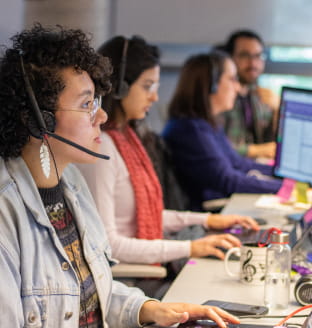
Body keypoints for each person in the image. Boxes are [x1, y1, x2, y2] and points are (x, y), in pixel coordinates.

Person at [0, 24, 241, 328]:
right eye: (87, 104)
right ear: (39, 120)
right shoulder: (5, 215)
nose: (101, 116)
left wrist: (149, 309)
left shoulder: (71, 184)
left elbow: (93, 291)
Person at [77, 36, 259, 271]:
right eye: (147, 86)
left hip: (148, 265)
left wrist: (207, 220)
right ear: (119, 87)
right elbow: (109, 244)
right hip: (133, 279)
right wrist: (191, 247)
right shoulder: (103, 149)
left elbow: (145, 215)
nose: (154, 97)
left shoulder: (129, 140)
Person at [163, 51, 282, 212]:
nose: (238, 87)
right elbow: (228, 180)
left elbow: (238, 163)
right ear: (211, 84)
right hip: (205, 216)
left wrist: (283, 175)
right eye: (232, 79)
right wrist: (284, 188)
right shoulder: (190, 130)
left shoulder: (205, 123)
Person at [219, 30, 279, 159]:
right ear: (229, 58)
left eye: (258, 56)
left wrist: (278, 111)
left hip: (255, 169)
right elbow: (215, 148)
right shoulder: (219, 96)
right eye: (244, 55)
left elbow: (272, 141)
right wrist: (255, 150)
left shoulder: (260, 95)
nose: (253, 63)